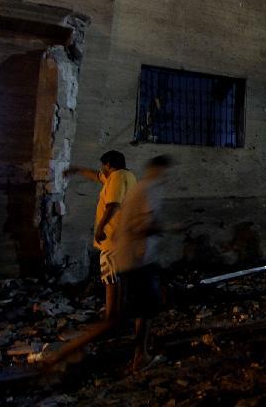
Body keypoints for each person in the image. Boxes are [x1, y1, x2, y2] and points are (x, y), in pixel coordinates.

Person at [113, 155, 172, 371]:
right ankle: (140, 356)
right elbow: (141, 227)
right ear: (159, 170)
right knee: (146, 310)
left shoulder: (138, 188)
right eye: (166, 171)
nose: (167, 176)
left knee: (141, 310)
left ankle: (140, 354)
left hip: (131, 258)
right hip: (139, 258)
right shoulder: (151, 190)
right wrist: (167, 229)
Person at [64, 151, 137, 323]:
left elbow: (112, 205)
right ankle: (119, 314)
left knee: (110, 278)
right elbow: (97, 176)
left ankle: (111, 317)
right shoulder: (127, 176)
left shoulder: (117, 177)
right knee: (118, 277)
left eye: (103, 166)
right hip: (123, 237)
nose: (101, 170)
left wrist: (100, 228)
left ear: (109, 165)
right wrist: (77, 170)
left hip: (112, 237)